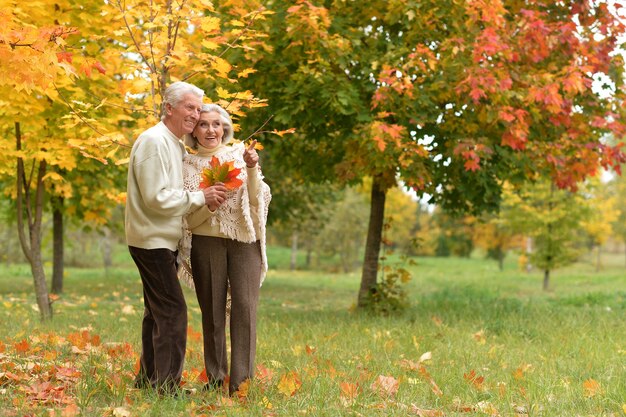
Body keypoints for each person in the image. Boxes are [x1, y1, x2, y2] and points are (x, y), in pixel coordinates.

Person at [125, 81, 217, 394]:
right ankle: (165, 388)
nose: (196, 114)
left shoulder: (173, 143)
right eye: (189, 107)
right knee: (173, 312)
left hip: (161, 240)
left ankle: (148, 381)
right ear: (169, 108)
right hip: (151, 241)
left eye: (198, 108)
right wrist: (200, 198)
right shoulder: (153, 141)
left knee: (156, 313)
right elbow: (156, 198)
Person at [179, 103, 271, 396]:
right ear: (193, 130)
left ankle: (241, 383)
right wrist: (210, 204)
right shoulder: (187, 166)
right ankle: (216, 378)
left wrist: (253, 168)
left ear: (225, 128)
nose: (210, 130)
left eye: (216, 124)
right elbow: (189, 221)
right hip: (206, 243)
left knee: (245, 308)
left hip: (245, 241)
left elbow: (257, 202)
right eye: (203, 124)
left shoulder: (240, 157)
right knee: (213, 312)